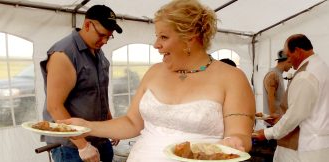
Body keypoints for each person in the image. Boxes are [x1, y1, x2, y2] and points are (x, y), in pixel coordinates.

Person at [61, 0, 255, 161]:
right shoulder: (154, 72)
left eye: (163, 37)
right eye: (157, 36)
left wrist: (235, 142)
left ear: (190, 37)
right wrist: (86, 126)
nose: (156, 45)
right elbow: (131, 123)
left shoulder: (232, 77)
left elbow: (240, 135)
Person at [39, 5, 122, 162]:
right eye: (102, 35)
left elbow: (99, 95)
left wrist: (111, 126)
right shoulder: (64, 54)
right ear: (87, 25)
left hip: (100, 139)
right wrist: (83, 146)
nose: (104, 41)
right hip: (73, 148)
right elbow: (55, 106)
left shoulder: (98, 51)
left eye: (108, 37)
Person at [254, 34, 329, 162]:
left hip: (303, 148)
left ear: (298, 51)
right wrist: (282, 117)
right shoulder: (322, 67)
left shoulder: (305, 75)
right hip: (318, 144)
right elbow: (310, 108)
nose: (289, 61)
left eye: (288, 55)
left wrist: (267, 133)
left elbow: (296, 114)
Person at [262, 50, 292, 121]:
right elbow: (270, 99)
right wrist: (274, 118)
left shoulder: (278, 74)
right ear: (287, 61)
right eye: (291, 63)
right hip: (274, 122)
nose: (292, 66)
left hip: (278, 120)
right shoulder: (273, 75)